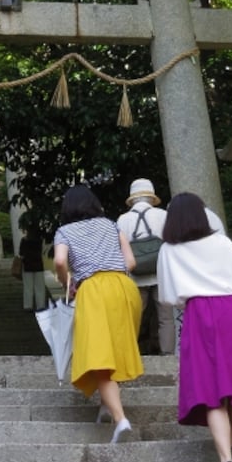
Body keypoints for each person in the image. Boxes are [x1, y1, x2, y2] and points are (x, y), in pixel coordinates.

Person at [157, 192, 232, 462]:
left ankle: (226, 460)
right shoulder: (222, 242)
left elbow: (167, 297)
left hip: (198, 314)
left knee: (210, 388)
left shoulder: (168, 250)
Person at [53, 183, 144, 444]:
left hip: (93, 290)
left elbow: (59, 261)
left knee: (100, 358)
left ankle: (120, 418)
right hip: (124, 288)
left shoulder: (64, 232)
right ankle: (106, 404)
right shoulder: (111, 225)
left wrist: (68, 282)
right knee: (116, 349)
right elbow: (131, 262)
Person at [116, 178, 173, 354]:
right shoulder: (162, 215)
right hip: (161, 273)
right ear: (151, 197)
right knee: (166, 317)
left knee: (134, 317)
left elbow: (119, 249)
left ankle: (130, 354)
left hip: (135, 275)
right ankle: (168, 355)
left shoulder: (123, 220)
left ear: (132, 199)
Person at [19, 220, 48, 312]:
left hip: (27, 265)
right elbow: (43, 251)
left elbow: (21, 253)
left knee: (28, 287)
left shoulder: (24, 240)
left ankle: (28, 305)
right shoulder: (40, 240)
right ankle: (40, 305)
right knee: (40, 287)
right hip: (38, 265)